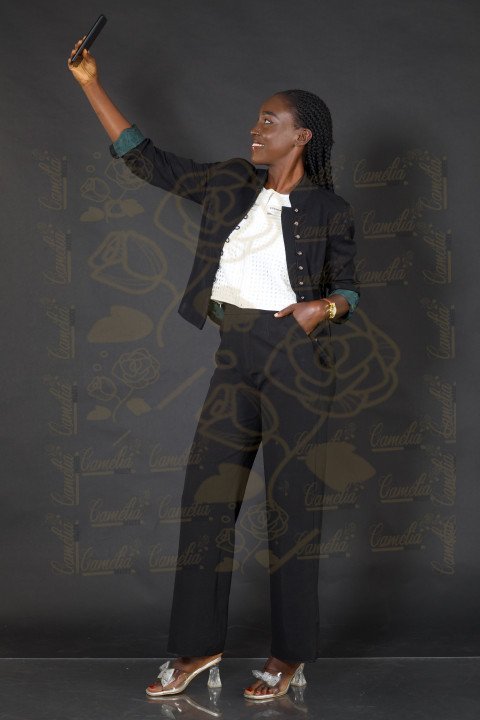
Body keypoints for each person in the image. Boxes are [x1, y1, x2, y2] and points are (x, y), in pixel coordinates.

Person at [68, 37, 359, 701]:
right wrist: (90, 83)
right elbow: (147, 159)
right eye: (256, 120)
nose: (254, 129)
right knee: (206, 500)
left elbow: (352, 289)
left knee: (292, 510)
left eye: (269, 122)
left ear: (302, 136)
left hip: (295, 361)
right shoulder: (230, 181)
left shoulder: (330, 211)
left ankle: (289, 656)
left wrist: (323, 308)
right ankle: (198, 647)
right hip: (236, 355)